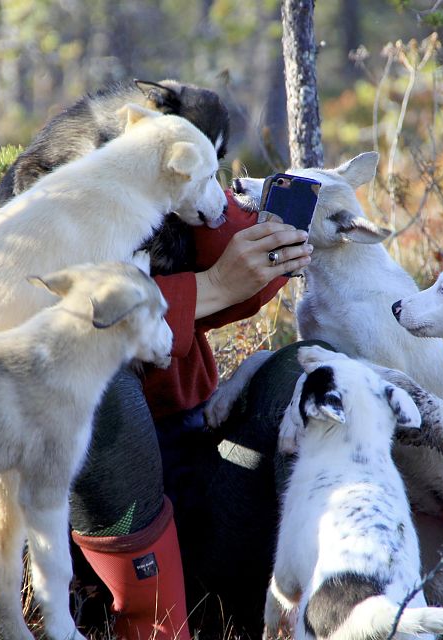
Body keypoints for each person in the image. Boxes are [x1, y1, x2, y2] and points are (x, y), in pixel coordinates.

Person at [68, 190, 316, 640]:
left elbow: (230, 255)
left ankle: (312, 611)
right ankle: (148, 624)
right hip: (94, 499)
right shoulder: (48, 189)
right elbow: (63, 315)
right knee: (99, 384)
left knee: (311, 373)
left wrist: (269, 245)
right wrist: (211, 287)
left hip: (199, 448)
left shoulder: (177, 166)